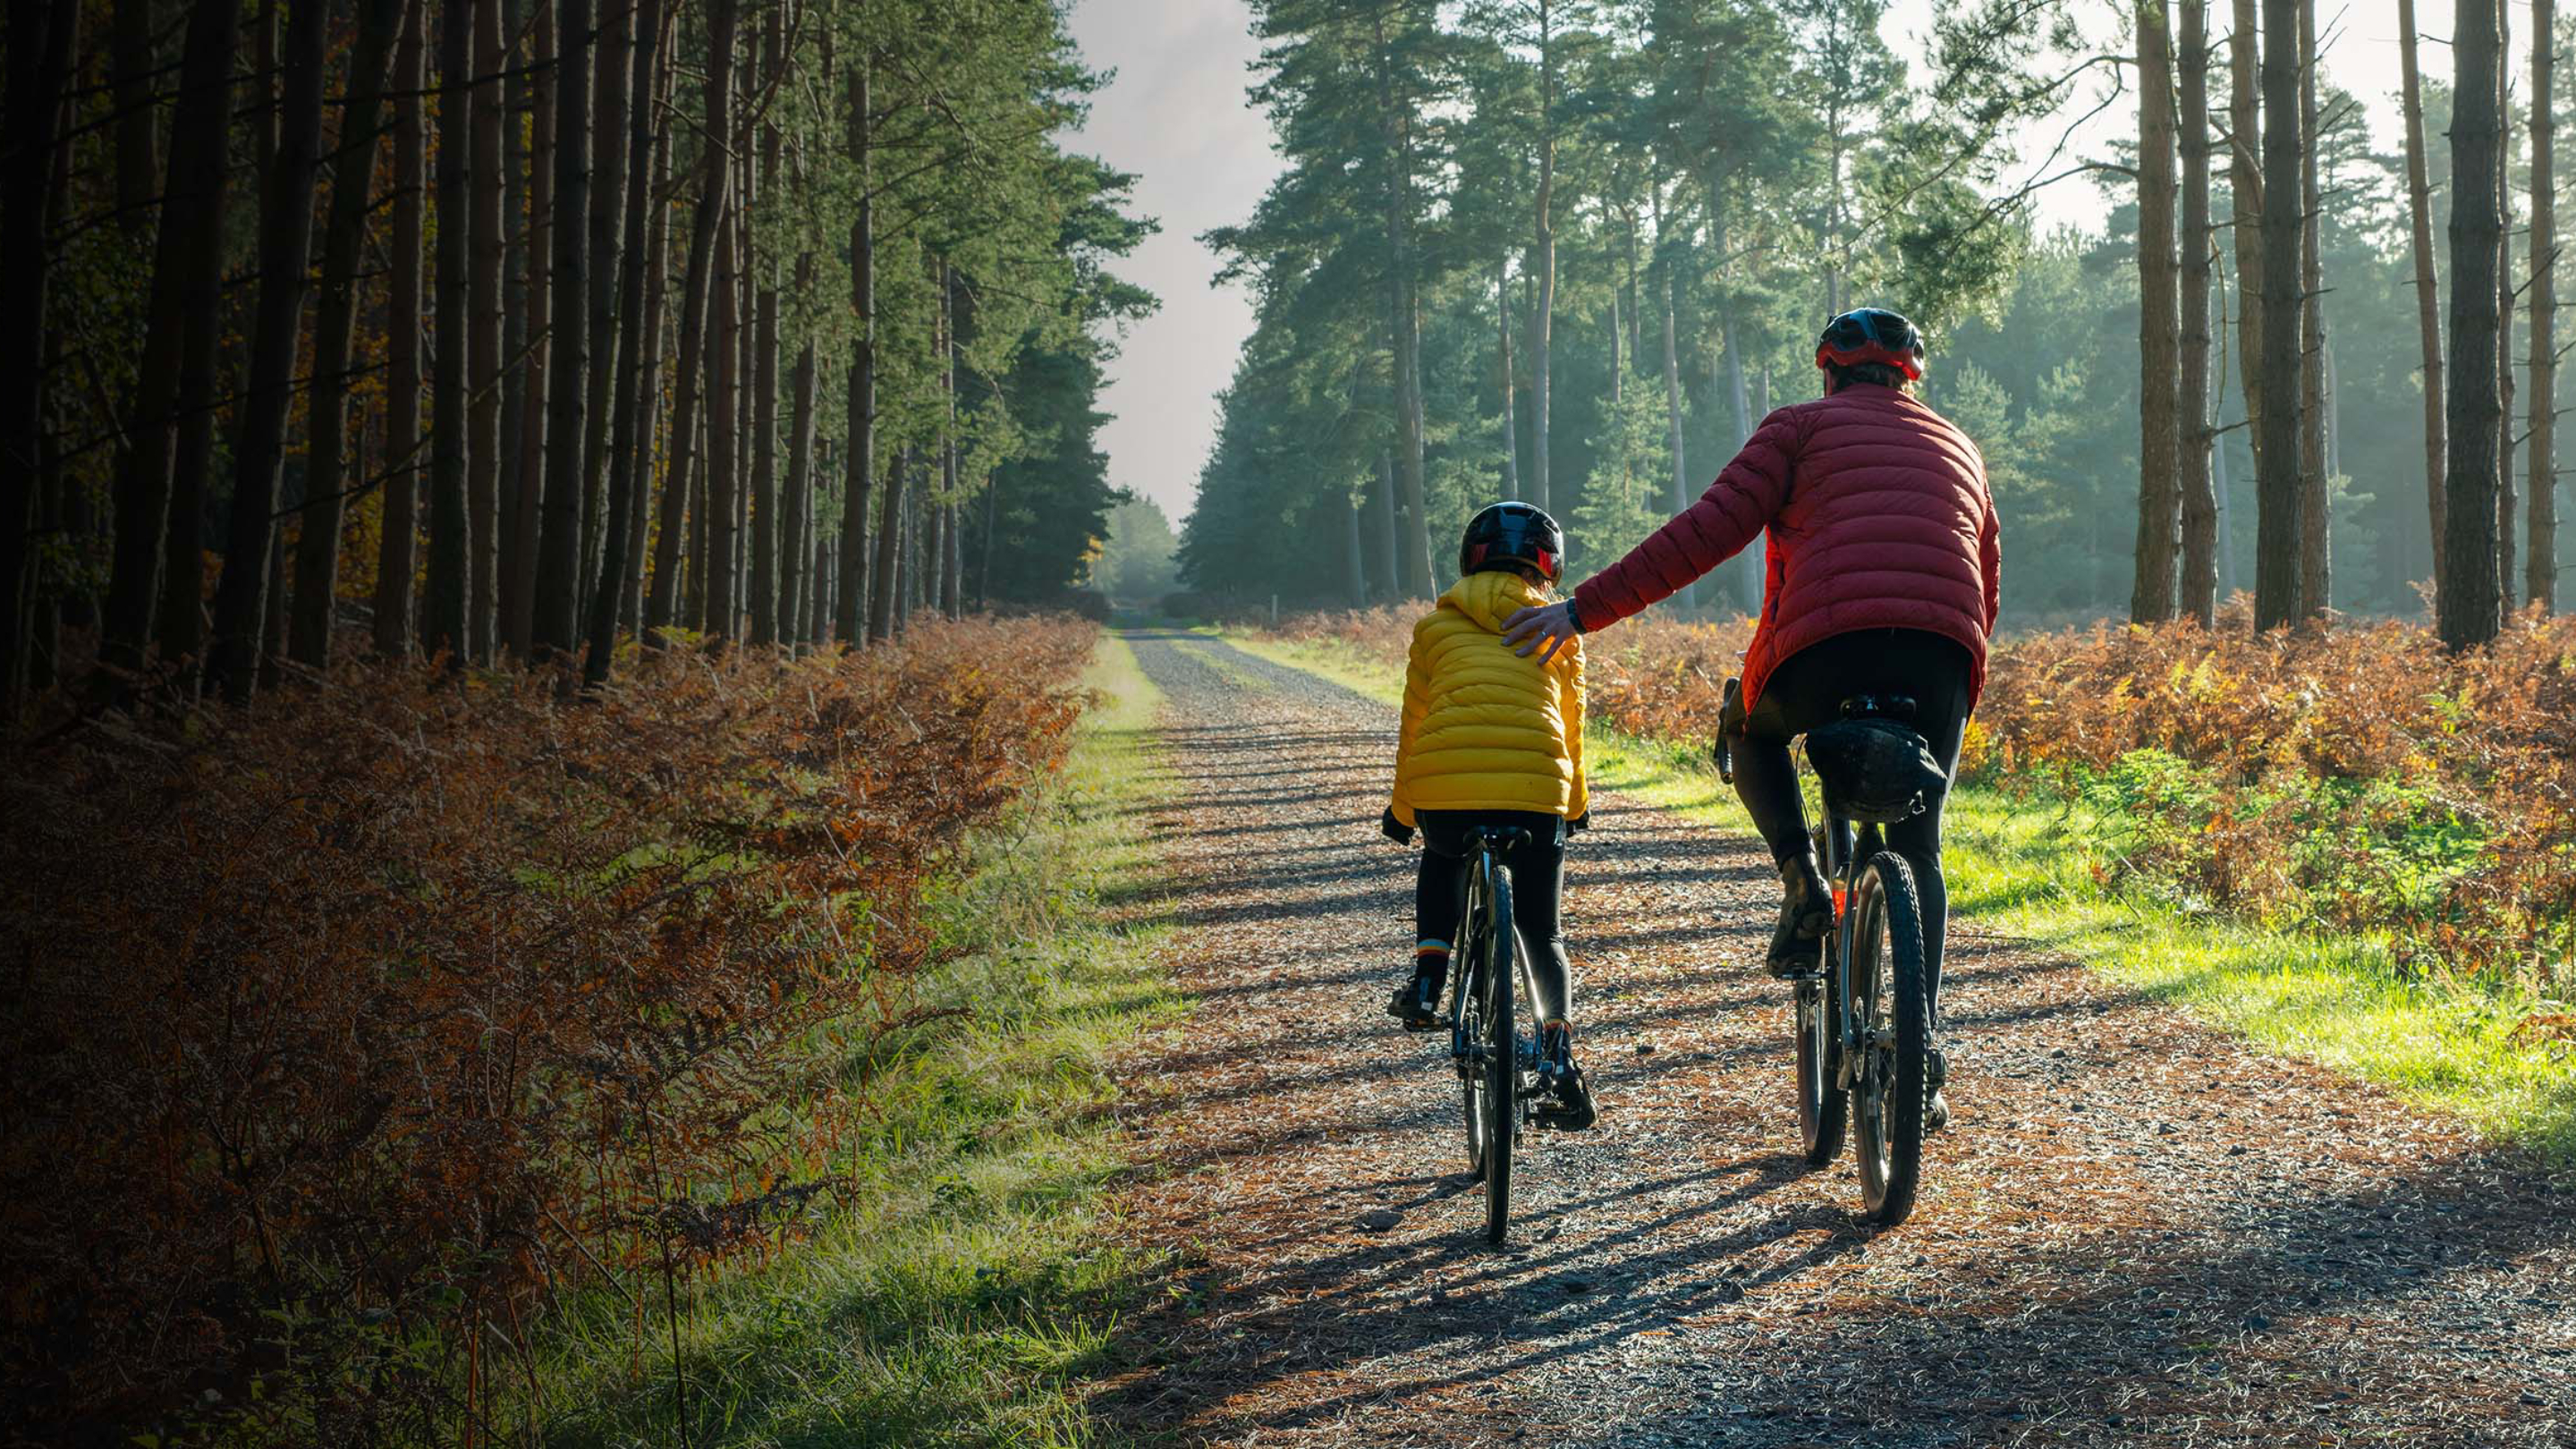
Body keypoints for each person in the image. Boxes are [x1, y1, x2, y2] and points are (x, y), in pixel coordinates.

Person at [1499, 307, 1999, 1132]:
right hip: (1941, 654)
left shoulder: (1797, 429)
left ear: (1828, 371)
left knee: (1751, 730)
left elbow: (1708, 531)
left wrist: (1583, 610)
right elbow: (1984, 575)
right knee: (1920, 847)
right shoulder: (1960, 445)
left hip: (1822, 652)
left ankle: (1802, 876)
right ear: (1910, 378)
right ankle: (1926, 1051)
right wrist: (1958, 684)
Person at [1381, 501, 1597, 1131]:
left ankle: (1427, 980)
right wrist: (1575, 805)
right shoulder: (1560, 628)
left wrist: (1402, 812)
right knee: (1542, 932)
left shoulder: (1433, 629)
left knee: (1441, 855)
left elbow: (1414, 725)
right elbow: (1573, 728)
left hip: (1446, 794)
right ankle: (1556, 1054)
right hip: (1536, 796)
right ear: (1549, 564)